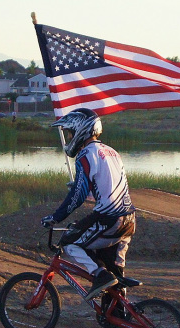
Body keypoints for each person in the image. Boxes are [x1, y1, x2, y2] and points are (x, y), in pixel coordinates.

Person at [40, 108, 136, 303]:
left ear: (79, 131)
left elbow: (77, 197)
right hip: (129, 220)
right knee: (116, 279)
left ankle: (99, 274)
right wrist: (82, 187)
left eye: (69, 133)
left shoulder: (86, 154)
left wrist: (55, 217)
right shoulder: (111, 152)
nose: (68, 137)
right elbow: (107, 187)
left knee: (69, 242)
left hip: (109, 219)